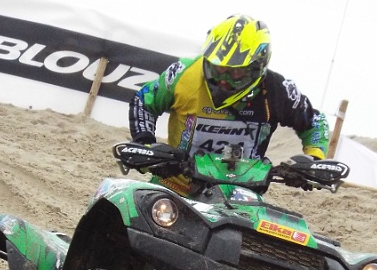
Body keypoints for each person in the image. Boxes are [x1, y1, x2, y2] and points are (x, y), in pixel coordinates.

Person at [129, 14, 329, 194]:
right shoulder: (185, 74)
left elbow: (314, 122)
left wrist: (314, 160)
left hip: (242, 196)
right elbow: (144, 101)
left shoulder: (276, 90)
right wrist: (145, 143)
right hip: (175, 187)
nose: (223, 80)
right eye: (218, 69)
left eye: (235, 72)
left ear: (257, 66)